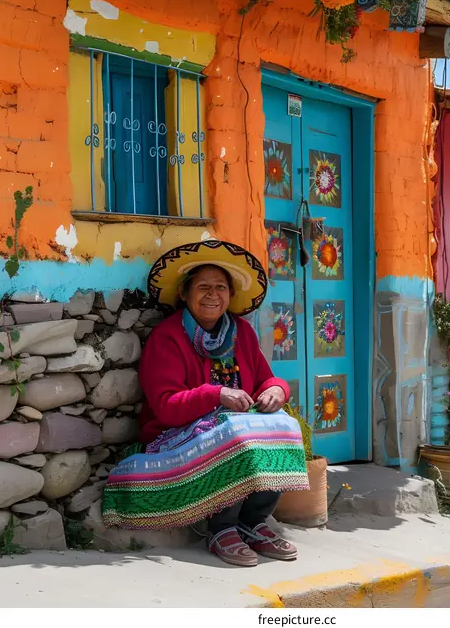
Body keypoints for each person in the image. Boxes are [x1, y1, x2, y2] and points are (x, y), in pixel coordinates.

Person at [102, 240, 309, 567]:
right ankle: (221, 528)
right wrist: (215, 394)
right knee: (232, 434)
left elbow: (267, 378)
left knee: (284, 425)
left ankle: (254, 521)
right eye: (203, 287)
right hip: (174, 433)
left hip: (234, 424)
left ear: (230, 295)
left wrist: (277, 391)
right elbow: (166, 405)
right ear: (184, 294)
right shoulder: (168, 338)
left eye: (220, 287)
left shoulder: (241, 331)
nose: (213, 295)